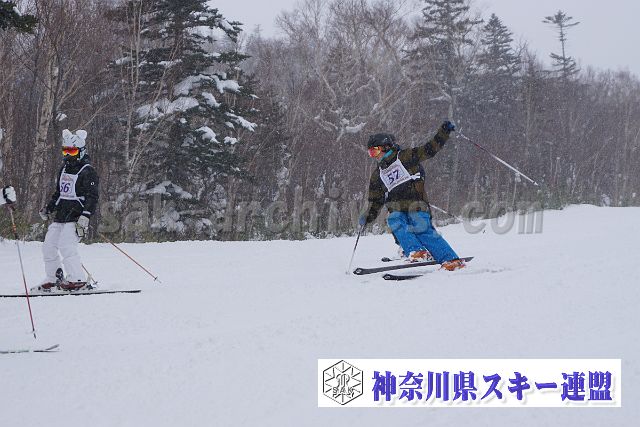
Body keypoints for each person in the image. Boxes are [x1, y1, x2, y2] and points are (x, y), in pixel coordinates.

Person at [359, 121, 465, 271]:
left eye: (375, 151)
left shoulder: (404, 157)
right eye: (370, 153)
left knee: (421, 228)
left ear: (385, 147)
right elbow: (376, 199)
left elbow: (429, 149)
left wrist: (444, 132)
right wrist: (368, 215)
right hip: (396, 208)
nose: (374, 156)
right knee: (394, 219)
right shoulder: (378, 174)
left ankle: (451, 259)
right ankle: (416, 252)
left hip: (416, 204)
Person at [36, 129, 99, 291]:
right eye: (66, 151)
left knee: (66, 246)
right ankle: (53, 278)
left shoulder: (88, 171)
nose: (68, 155)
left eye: (72, 151)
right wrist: (48, 209)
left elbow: (92, 197)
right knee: (48, 246)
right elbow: (59, 193)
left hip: (77, 217)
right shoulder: (64, 169)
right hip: (61, 216)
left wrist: (85, 216)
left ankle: (77, 279)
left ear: (81, 151)